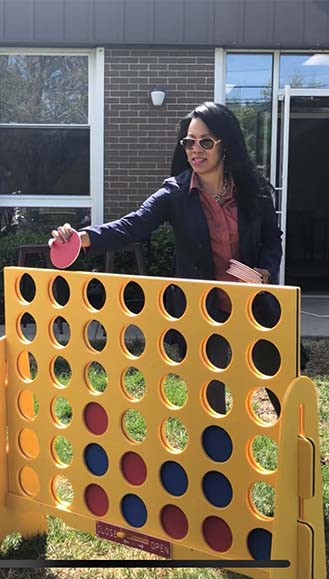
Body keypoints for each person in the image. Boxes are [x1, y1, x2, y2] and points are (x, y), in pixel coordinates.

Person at [50, 101, 285, 415]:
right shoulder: (175, 194)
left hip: (255, 308)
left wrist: (266, 271)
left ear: (225, 144)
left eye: (205, 142)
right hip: (205, 313)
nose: (195, 150)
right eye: (189, 142)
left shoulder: (252, 191)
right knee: (209, 406)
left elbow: (272, 237)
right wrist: (81, 237)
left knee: (283, 387)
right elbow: (132, 225)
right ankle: (212, 462)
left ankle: (298, 455)